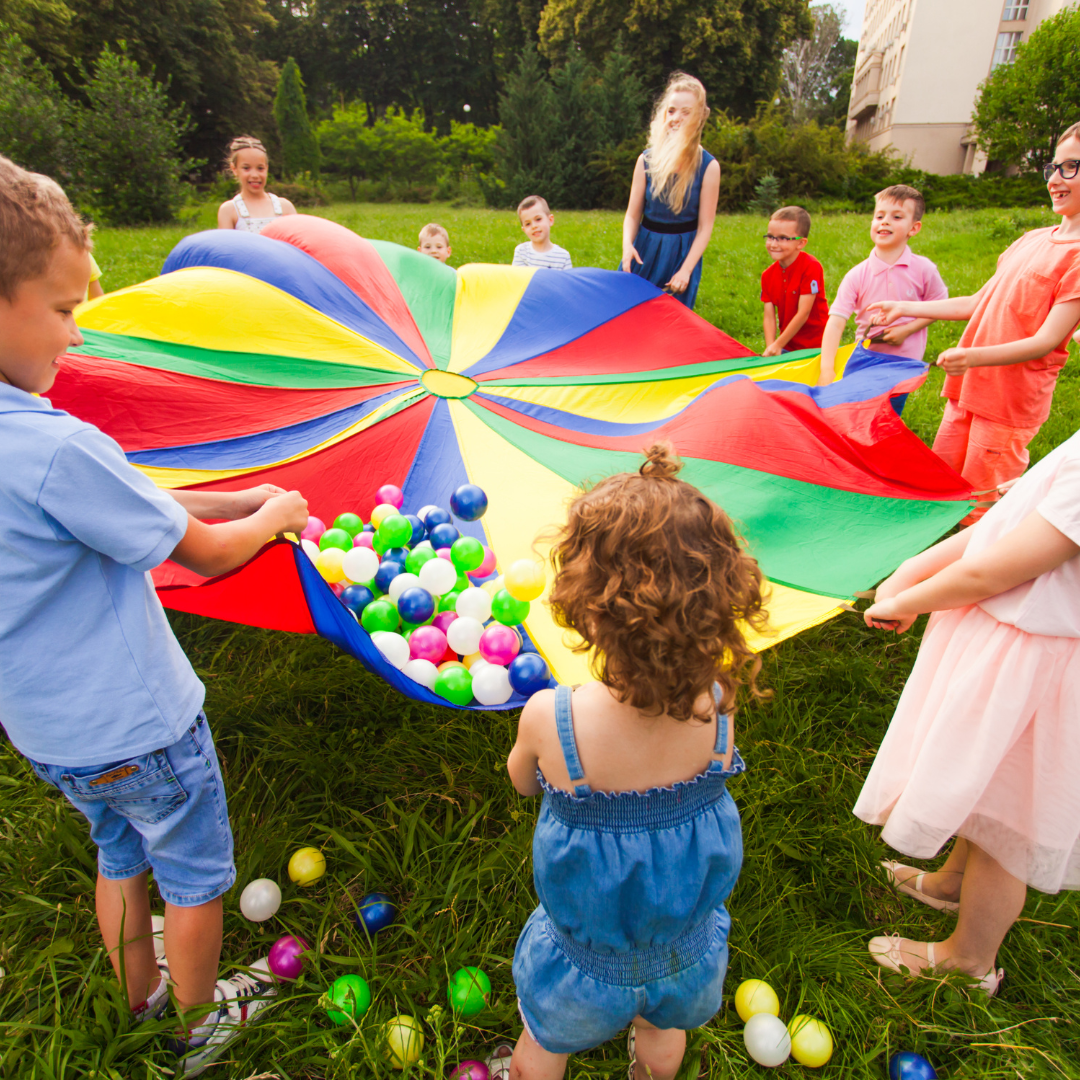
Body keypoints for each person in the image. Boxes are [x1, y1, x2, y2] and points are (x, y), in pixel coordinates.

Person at [0, 155, 310, 1074]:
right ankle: (193, 1026)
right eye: (62, 311)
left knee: (118, 855)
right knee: (195, 875)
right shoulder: (56, 446)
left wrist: (234, 492)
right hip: (145, 724)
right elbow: (205, 553)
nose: (76, 335)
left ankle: (140, 998)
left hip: (53, 734)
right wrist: (274, 515)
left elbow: (137, 500)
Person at [503, 444, 767, 1080]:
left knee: (544, 1045)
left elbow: (520, 782)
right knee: (663, 1033)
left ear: (589, 610)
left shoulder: (552, 717)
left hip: (583, 959)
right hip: (688, 950)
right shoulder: (718, 706)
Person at [855, 427, 1080, 996]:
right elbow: (1008, 522)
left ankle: (968, 960)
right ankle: (953, 880)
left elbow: (996, 568)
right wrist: (913, 566)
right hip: (1019, 649)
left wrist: (908, 598)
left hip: (1038, 670)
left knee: (1008, 826)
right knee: (984, 788)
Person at [867, 124, 1080, 521]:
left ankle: (972, 573)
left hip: (1008, 405)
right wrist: (906, 306)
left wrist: (974, 356)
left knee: (982, 507)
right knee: (941, 489)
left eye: (1071, 167)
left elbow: (1047, 340)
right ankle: (919, 566)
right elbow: (979, 302)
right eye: (1053, 166)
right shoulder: (1032, 239)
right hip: (968, 391)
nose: (1054, 178)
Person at [817, 184, 947, 386]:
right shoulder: (856, 275)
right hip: (864, 362)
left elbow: (942, 306)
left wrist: (908, 329)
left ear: (914, 228)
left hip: (905, 366)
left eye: (897, 217)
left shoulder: (924, 269)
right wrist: (826, 370)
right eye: (879, 216)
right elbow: (835, 322)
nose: (885, 222)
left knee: (890, 414)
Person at [620, 73, 720, 310]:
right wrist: (627, 246)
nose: (676, 118)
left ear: (700, 117)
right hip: (644, 248)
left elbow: (705, 227)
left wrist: (686, 270)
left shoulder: (709, 167)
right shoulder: (646, 160)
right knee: (629, 315)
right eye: (672, 110)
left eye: (686, 112)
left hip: (681, 254)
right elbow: (633, 214)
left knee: (670, 325)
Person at [760, 205, 829, 355]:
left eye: (783, 238)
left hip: (817, 345)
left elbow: (804, 312)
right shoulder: (767, 275)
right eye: (770, 237)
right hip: (788, 346)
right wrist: (771, 346)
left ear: (801, 243)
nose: (773, 244)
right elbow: (769, 317)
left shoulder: (811, 267)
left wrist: (778, 344)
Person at [216, 135, 297, 233]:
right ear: (234, 169)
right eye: (246, 168)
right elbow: (225, 246)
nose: (254, 175)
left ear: (267, 168)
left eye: (260, 168)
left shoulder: (285, 207)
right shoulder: (229, 210)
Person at [513, 196, 572, 270]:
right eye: (528, 224)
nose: (534, 226)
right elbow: (519, 279)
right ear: (524, 230)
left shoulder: (563, 256)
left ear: (550, 220)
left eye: (538, 219)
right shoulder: (521, 252)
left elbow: (566, 281)